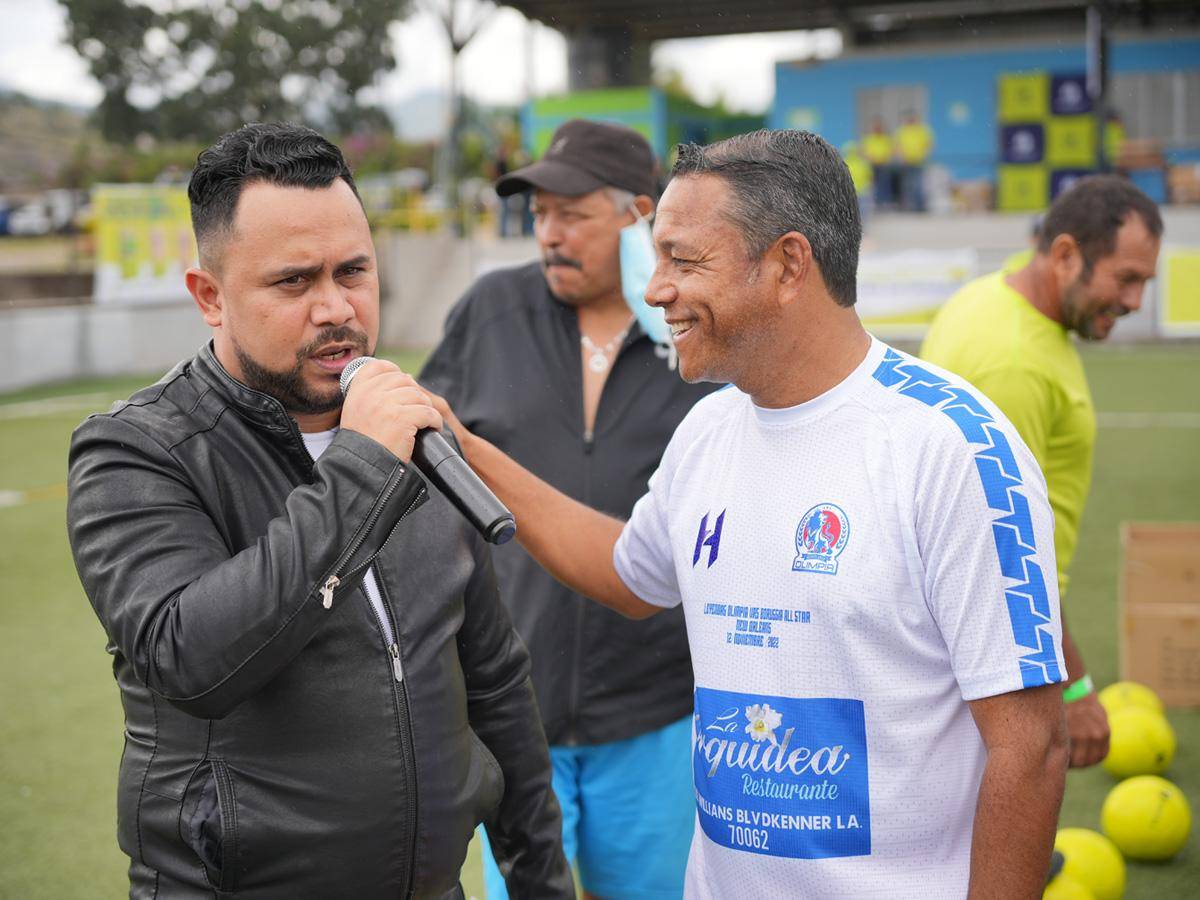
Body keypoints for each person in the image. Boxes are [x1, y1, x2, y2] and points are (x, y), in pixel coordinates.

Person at [431, 129, 1070, 896]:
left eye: (684, 260)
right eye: (656, 257)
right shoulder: (706, 431)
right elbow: (628, 574)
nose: (657, 288)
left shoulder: (951, 448)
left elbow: (1030, 746)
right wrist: (462, 448)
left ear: (788, 264)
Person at [66, 123, 572, 899]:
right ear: (211, 296)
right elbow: (190, 660)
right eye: (294, 281)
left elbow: (496, 686)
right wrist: (364, 466)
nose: (335, 307)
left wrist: (540, 880)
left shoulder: (415, 433)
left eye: (354, 271)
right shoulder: (137, 452)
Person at [421, 117, 717, 900]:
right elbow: (418, 461)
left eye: (573, 214)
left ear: (638, 217)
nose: (549, 234)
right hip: (514, 706)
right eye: (539, 214)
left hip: (658, 708)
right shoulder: (490, 311)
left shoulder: (697, 332)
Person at [922, 175, 1163, 770]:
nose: (1135, 302)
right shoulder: (1014, 363)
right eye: (1125, 279)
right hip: (989, 640)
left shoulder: (991, 298)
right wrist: (1075, 685)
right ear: (1064, 255)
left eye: (1145, 283)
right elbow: (1006, 547)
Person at [894, 109, 934, 212]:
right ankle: (909, 206)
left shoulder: (922, 130)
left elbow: (928, 144)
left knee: (918, 184)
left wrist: (924, 155)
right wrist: (901, 156)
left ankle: (920, 206)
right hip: (906, 162)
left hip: (919, 161)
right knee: (907, 185)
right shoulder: (902, 131)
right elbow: (897, 146)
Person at [862, 116, 895, 209]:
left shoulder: (886, 139)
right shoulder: (869, 139)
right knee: (872, 185)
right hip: (872, 165)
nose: (877, 129)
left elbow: (891, 150)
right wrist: (870, 158)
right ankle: (874, 203)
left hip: (883, 164)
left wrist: (886, 157)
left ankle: (884, 202)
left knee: (884, 184)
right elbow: (864, 151)